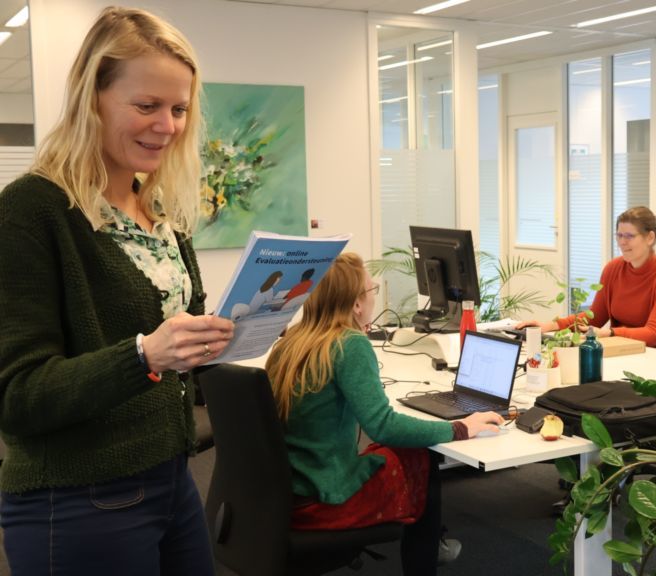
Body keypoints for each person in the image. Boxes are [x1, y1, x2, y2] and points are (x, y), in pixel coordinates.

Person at [0, 7, 235, 575]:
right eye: (147, 106)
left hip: (171, 477)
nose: (169, 125)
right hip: (77, 498)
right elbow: (17, 396)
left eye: (179, 109)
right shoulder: (32, 212)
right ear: (92, 100)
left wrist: (232, 333)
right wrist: (145, 355)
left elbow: (181, 348)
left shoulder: (159, 212)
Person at [266, 253, 503, 575]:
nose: (374, 293)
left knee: (401, 449)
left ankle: (431, 546)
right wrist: (460, 428)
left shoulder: (291, 341)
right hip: (325, 498)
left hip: (289, 491)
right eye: (371, 288)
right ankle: (426, 557)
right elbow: (383, 426)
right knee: (422, 457)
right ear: (356, 305)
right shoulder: (348, 344)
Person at [517, 206, 656, 352]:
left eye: (629, 236)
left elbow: (653, 333)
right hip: (623, 349)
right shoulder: (613, 269)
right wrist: (549, 326)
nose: (622, 242)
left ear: (650, 237)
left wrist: (611, 333)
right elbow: (594, 316)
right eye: (619, 235)